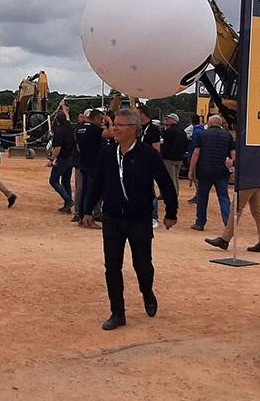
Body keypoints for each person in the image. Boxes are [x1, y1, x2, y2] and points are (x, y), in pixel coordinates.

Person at [81, 108, 178, 330]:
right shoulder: (107, 153)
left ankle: (147, 291)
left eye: (119, 125)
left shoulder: (148, 155)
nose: (114, 128)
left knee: (142, 264)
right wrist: (87, 210)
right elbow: (97, 184)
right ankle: (117, 313)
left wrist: (171, 213)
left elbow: (165, 184)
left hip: (139, 220)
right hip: (112, 219)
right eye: (114, 124)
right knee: (112, 266)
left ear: (134, 129)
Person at [188, 114, 235, 231]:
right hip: (222, 171)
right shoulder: (228, 135)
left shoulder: (202, 134)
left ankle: (200, 223)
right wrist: (234, 169)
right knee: (223, 196)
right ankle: (228, 225)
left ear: (209, 123)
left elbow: (196, 153)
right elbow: (233, 154)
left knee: (202, 196)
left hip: (205, 170)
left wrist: (191, 170)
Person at [204, 187, 260, 254]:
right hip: (257, 183)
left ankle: (225, 239)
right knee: (257, 211)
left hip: (246, 183)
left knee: (236, 207)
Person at [74, 109, 105, 226]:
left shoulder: (79, 129)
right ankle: (88, 218)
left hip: (83, 163)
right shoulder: (95, 129)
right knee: (92, 191)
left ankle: (81, 216)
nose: (102, 122)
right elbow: (111, 134)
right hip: (93, 165)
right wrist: (110, 122)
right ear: (96, 118)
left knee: (83, 191)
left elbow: (78, 147)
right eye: (101, 119)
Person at [48, 111, 76, 214]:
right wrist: (64, 108)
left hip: (63, 158)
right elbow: (68, 117)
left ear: (57, 120)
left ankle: (68, 200)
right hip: (71, 158)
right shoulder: (69, 126)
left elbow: (58, 148)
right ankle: (67, 206)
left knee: (53, 180)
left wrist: (52, 159)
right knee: (66, 181)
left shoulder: (59, 131)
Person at [159, 112, 188, 195]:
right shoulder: (182, 131)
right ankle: (176, 193)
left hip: (169, 159)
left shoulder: (169, 131)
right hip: (179, 158)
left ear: (173, 120)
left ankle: (173, 195)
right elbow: (185, 144)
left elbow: (166, 145)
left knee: (171, 178)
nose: (166, 120)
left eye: (168, 118)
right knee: (176, 177)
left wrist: (163, 155)